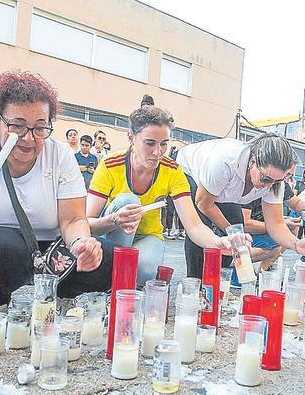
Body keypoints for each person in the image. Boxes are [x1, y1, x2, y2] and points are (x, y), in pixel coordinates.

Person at [0, 70, 109, 305]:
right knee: (2, 248)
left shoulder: (60, 155)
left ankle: (62, 298)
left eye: (40, 127)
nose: (29, 138)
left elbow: (72, 220)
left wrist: (81, 243)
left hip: (50, 249)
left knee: (106, 256)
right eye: (17, 126)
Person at [86, 99, 237, 285]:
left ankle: (124, 287)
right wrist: (115, 219)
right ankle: (113, 279)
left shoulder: (172, 170)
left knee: (146, 267)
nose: (158, 152)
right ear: (131, 138)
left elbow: (193, 225)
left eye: (164, 144)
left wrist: (218, 243)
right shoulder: (110, 164)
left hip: (148, 235)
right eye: (150, 143)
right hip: (110, 234)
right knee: (128, 201)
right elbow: (86, 222)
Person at [178, 134, 305, 278]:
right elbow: (203, 204)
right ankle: (194, 283)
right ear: (253, 162)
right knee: (201, 226)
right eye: (265, 178)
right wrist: (232, 234)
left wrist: (297, 244)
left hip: (221, 186)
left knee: (237, 226)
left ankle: (218, 276)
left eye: (276, 181)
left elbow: (276, 224)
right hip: (188, 170)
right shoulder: (225, 161)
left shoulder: (274, 183)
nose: (268, 185)